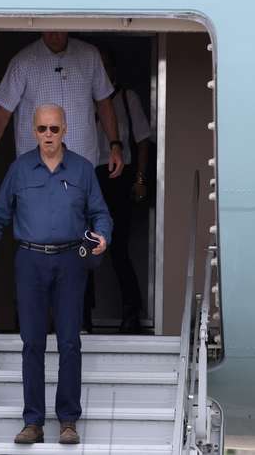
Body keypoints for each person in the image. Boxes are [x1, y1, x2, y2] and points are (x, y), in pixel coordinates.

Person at [0, 104, 113, 445]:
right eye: (41, 129)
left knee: (69, 342)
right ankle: (33, 421)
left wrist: (103, 236)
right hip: (30, 262)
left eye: (53, 129)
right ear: (33, 132)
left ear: (65, 130)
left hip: (70, 262)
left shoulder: (81, 170)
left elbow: (100, 213)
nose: (47, 135)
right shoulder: (20, 170)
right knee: (32, 342)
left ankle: (67, 421)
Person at [0, 32, 124, 189]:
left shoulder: (90, 56)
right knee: (38, 213)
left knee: (79, 213)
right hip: (36, 168)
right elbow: (2, 114)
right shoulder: (23, 61)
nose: (53, 35)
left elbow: (104, 103)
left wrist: (115, 145)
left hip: (81, 165)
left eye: (58, 29)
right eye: (48, 30)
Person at [94, 49, 151, 333]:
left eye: (105, 66)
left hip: (120, 175)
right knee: (82, 247)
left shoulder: (128, 98)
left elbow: (142, 141)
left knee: (118, 248)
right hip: (90, 176)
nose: (102, 73)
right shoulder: (85, 101)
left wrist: (140, 179)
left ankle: (132, 312)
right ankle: (83, 316)